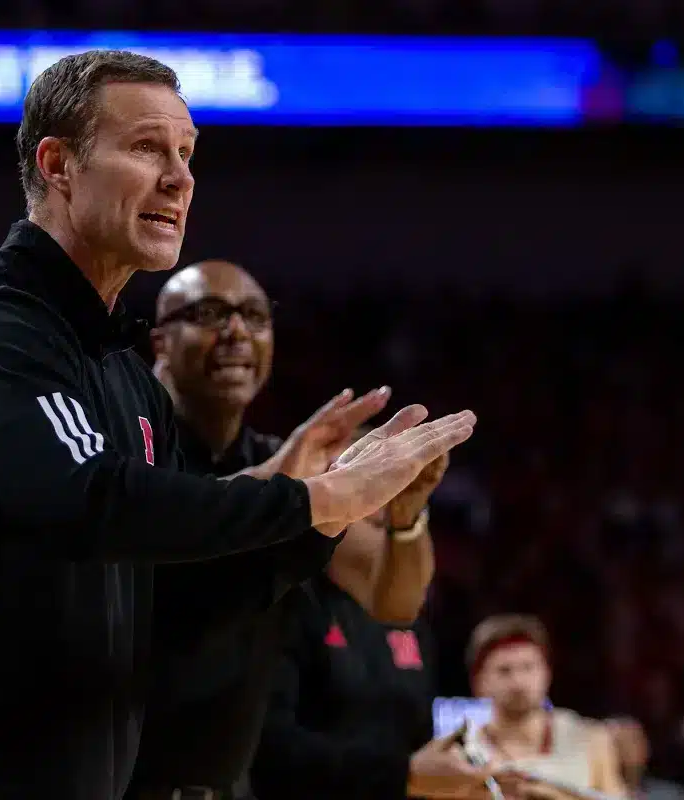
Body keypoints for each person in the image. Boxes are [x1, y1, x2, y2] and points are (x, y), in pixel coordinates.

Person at [0, 50, 478, 800]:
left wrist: (321, 515)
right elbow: (88, 503)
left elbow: (169, 601)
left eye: (187, 154)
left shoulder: (127, 373)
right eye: (146, 148)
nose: (180, 177)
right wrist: (315, 501)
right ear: (58, 165)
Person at [126, 262, 447, 800]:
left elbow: (395, 600)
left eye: (254, 316)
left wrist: (405, 515)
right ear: (160, 341)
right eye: (209, 313)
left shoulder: (285, 460)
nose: (236, 331)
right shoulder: (129, 451)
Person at [461, 615, 627, 799]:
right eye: (504, 671)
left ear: (547, 673)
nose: (518, 682)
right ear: (479, 682)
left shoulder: (590, 739)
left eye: (528, 667)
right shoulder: (464, 755)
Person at [605, 718, 684, 800]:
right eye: (618, 742)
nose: (626, 749)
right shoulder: (595, 795)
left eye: (634, 741)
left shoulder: (672, 796)